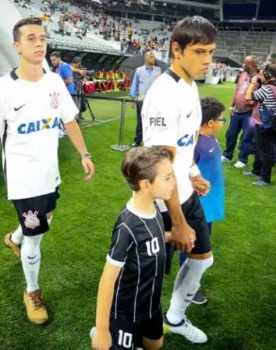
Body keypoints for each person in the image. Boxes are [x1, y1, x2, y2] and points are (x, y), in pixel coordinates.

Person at [0, 16, 95, 325]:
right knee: (36, 235)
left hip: (49, 171)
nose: (39, 43)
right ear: (16, 46)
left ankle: (14, 238)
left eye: (42, 38)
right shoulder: (3, 88)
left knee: (46, 217)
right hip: (22, 177)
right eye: (31, 38)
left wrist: (84, 153)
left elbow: (69, 119)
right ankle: (32, 292)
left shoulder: (54, 81)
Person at [141, 16, 217, 344]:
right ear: (176, 49)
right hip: (160, 204)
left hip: (185, 192)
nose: (207, 60)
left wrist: (195, 175)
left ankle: (175, 316)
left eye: (211, 52)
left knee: (202, 259)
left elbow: (183, 149)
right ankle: (126, 330)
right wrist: (178, 220)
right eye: (199, 52)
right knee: (149, 278)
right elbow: (162, 167)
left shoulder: (191, 86)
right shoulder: (163, 94)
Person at [90, 147, 175, 350]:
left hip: (151, 304)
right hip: (127, 311)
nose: (174, 183)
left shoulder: (154, 206)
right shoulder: (127, 227)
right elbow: (107, 280)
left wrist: (171, 236)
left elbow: (149, 240)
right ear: (146, 184)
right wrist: (102, 330)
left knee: (155, 344)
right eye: (168, 178)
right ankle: (102, 333)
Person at [178, 97, 226, 304]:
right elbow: (181, 170)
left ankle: (188, 282)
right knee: (193, 246)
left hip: (209, 205)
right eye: (222, 119)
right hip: (198, 206)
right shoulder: (195, 143)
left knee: (200, 245)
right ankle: (185, 288)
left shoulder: (210, 139)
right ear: (210, 123)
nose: (224, 122)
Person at [243, 63, 276, 186]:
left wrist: (253, 83)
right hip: (266, 122)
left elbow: (248, 96)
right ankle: (256, 170)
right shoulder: (275, 86)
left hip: (265, 124)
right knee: (259, 149)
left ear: (267, 74)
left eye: (261, 73)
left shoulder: (268, 88)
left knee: (265, 152)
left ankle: (265, 178)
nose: (260, 76)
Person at [222, 56, 258, 169]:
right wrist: (231, 106)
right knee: (231, 134)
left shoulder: (258, 79)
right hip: (237, 111)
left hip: (249, 112)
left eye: (245, 63)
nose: (243, 65)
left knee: (247, 137)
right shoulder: (243, 75)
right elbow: (237, 90)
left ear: (252, 65)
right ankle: (228, 155)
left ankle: (243, 159)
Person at [129, 51, 161, 147]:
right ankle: (138, 140)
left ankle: (151, 141)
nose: (153, 58)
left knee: (154, 121)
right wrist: (133, 99)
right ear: (146, 58)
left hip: (155, 101)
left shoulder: (158, 70)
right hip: (141, 100)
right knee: (140, 121)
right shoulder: (139, 70)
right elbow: (135, 85)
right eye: (151, 57)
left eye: (154, 57)